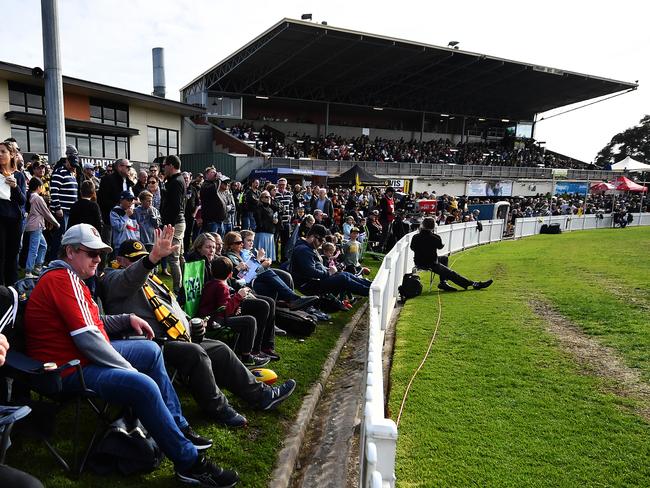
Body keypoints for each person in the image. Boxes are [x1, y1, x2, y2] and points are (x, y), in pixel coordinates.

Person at [24, 224, 239, 487]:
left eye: (100, 254)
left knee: (150, 350)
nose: (98, 259)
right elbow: (87, 337)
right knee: (143, 384)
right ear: (70, 252)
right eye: (91, 253)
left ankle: (177, 426)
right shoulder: (62, 279)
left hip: (80, 356)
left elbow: (93, 321)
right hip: (68, 369)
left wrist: (127, 318)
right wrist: (126, 368)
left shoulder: (70, 279)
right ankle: (190, 464)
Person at [198, 257, 272, 368]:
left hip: (210, 317)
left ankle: (244, 349)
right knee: (249, 321)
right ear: (230, 274)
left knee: (248, 316)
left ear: (212, 272)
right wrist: (239, 296)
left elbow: (222, 306)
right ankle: (246, 357)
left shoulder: (211, 283)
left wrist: (235, 304)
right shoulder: (222, 286)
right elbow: (225, 311)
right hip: (215, 321)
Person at [223, 231, 317, 309]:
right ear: (230, 245)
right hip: (246, 283)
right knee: (267, 273)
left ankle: (292, 301)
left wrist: (262, 261)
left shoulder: (243, 253)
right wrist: (259, 261)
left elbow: (250, 269)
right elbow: (244, 276)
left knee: (283, 276)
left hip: (254, 278)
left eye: (241, 242)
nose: (242, 244)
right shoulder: (230, 258)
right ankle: (293, 299)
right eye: (238, 243)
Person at [410, 217, 493, 292]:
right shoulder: (435, 237)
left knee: (444, 259)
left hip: (418, 261)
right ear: (433, 227)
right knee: (451, 273)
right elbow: (440, 246)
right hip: (430, 263)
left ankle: (443, 282)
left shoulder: (415, 237)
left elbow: (412, 248)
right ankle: (474, 284)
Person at [290, 224, 372, 297]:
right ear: (312, 237)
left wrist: (329, 270)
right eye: (321, 240)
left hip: (315, 280)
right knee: (343, 278)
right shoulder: (303, 250)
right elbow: (310, 272)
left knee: (345, 274)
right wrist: (328, 273)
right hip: (308, 285)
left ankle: (372, 286)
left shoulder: (308, 248)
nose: (321, 244)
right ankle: (370, 292)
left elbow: (315, 267)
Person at [0, 141, 26, 286]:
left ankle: (13, 289)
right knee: (1, 255)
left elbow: (23, 201)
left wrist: (15, 186)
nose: (0, 154)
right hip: (0, 219)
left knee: (12, 256)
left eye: (3, 151)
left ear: (11, 155)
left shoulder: (19, 176)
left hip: (15, 220)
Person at [160, 155, 186, 293]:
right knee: (179, 256)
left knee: (173, 257)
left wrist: (169, 225)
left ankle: (178, 289)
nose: (163, 168)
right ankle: (184, 283)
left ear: (171, 165)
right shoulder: (175, 180)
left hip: (175, 223)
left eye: (165, 165)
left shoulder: (176, 181)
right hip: (178, 222)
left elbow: (175, 207)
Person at [24, 177, 59, 278]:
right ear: (38, 187)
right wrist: (56, 223)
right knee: (34, 249)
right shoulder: (37, 198)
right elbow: (46, 213)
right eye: (42, 187)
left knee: (43, 246)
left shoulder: (30, 196)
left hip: (33, 225)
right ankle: (28, 271)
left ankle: (38, 266)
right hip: (36, 226)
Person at [98, 158, 133, 247]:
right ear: (120, 167)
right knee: (108, 246)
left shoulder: (129, 182)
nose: (130, 169)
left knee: (123, 245)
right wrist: (119, 206)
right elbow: (102, 200)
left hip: (125, 219)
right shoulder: (107, 179)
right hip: (110, 219)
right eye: (128, 167)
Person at [200, 167, 227, 235]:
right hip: (211, 221)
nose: (215, 174)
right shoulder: (205, 185)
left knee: (219, 242)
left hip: (219, 220)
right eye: (212, 172)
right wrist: (218, 179)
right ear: (206, 175)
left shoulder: (215, 183)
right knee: (212, 240)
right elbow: (213, 190)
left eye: (215, 172)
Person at [254, 190, 278, 262]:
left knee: (268, 256)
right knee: (261, 255)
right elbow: (259, 222)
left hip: (270, 233)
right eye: (266, 197)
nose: (269, 198)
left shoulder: (270, 209)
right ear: (261, 198)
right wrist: (271, 221)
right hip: (262, 233)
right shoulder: (259, 208)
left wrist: (275, 222)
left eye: (270, 197)